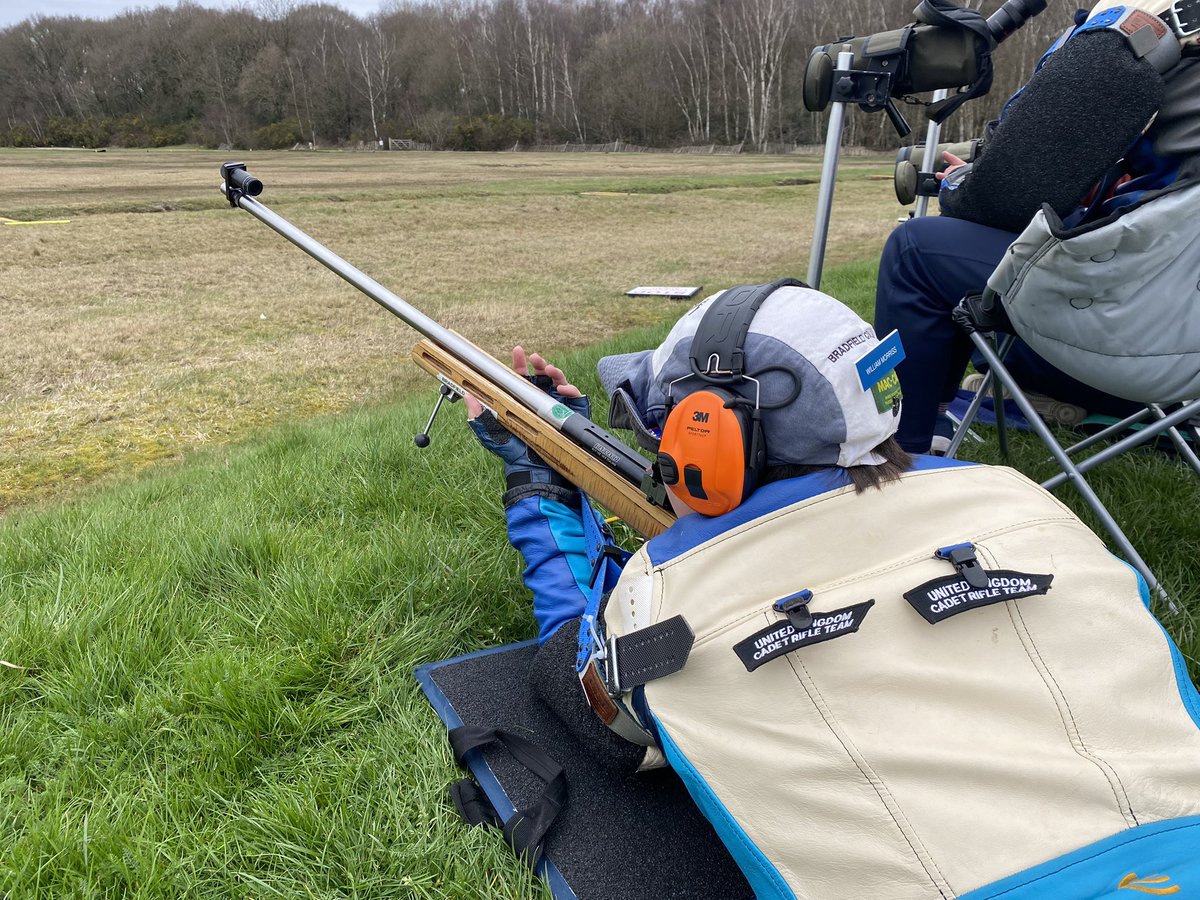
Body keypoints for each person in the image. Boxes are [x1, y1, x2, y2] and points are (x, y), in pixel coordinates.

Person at [465, 280, 1200, 898]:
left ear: (705, 439)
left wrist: (540, 485)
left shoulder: (661, 599)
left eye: (660, 428)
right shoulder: (1028, 503)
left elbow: (581, 688)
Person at [874, 0, 1200, 454]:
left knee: (915, 250)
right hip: (1186, 341)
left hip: (1127, 322)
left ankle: (898, 443)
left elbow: (1008, 196)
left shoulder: (1138, 25)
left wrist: (961, 185)